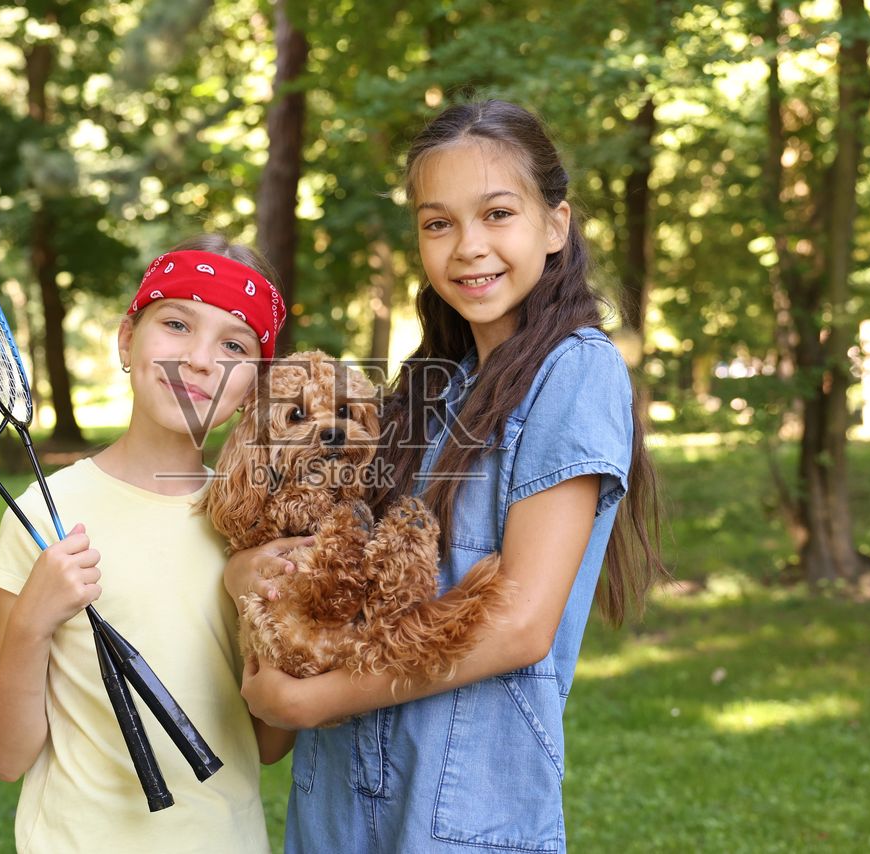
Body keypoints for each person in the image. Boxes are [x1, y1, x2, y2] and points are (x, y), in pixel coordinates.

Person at [231, 99, 669, 852]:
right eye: (439, 224)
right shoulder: (428, 387)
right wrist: (248, 571)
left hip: (459, 809)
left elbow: (521, 626)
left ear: (556, 225)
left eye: (497, 213)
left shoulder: (577, 370)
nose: (468, 247)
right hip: (335, 802)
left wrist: (316, 701)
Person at [0, 236, 300, 853]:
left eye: (234, 344)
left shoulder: (255, 527)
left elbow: (270, 743)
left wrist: (287, 623)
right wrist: (32, 623)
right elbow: (3, 754)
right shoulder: (46, 516)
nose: (200, 360)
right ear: (127, 340)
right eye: (177, 324)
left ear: (253, 385)